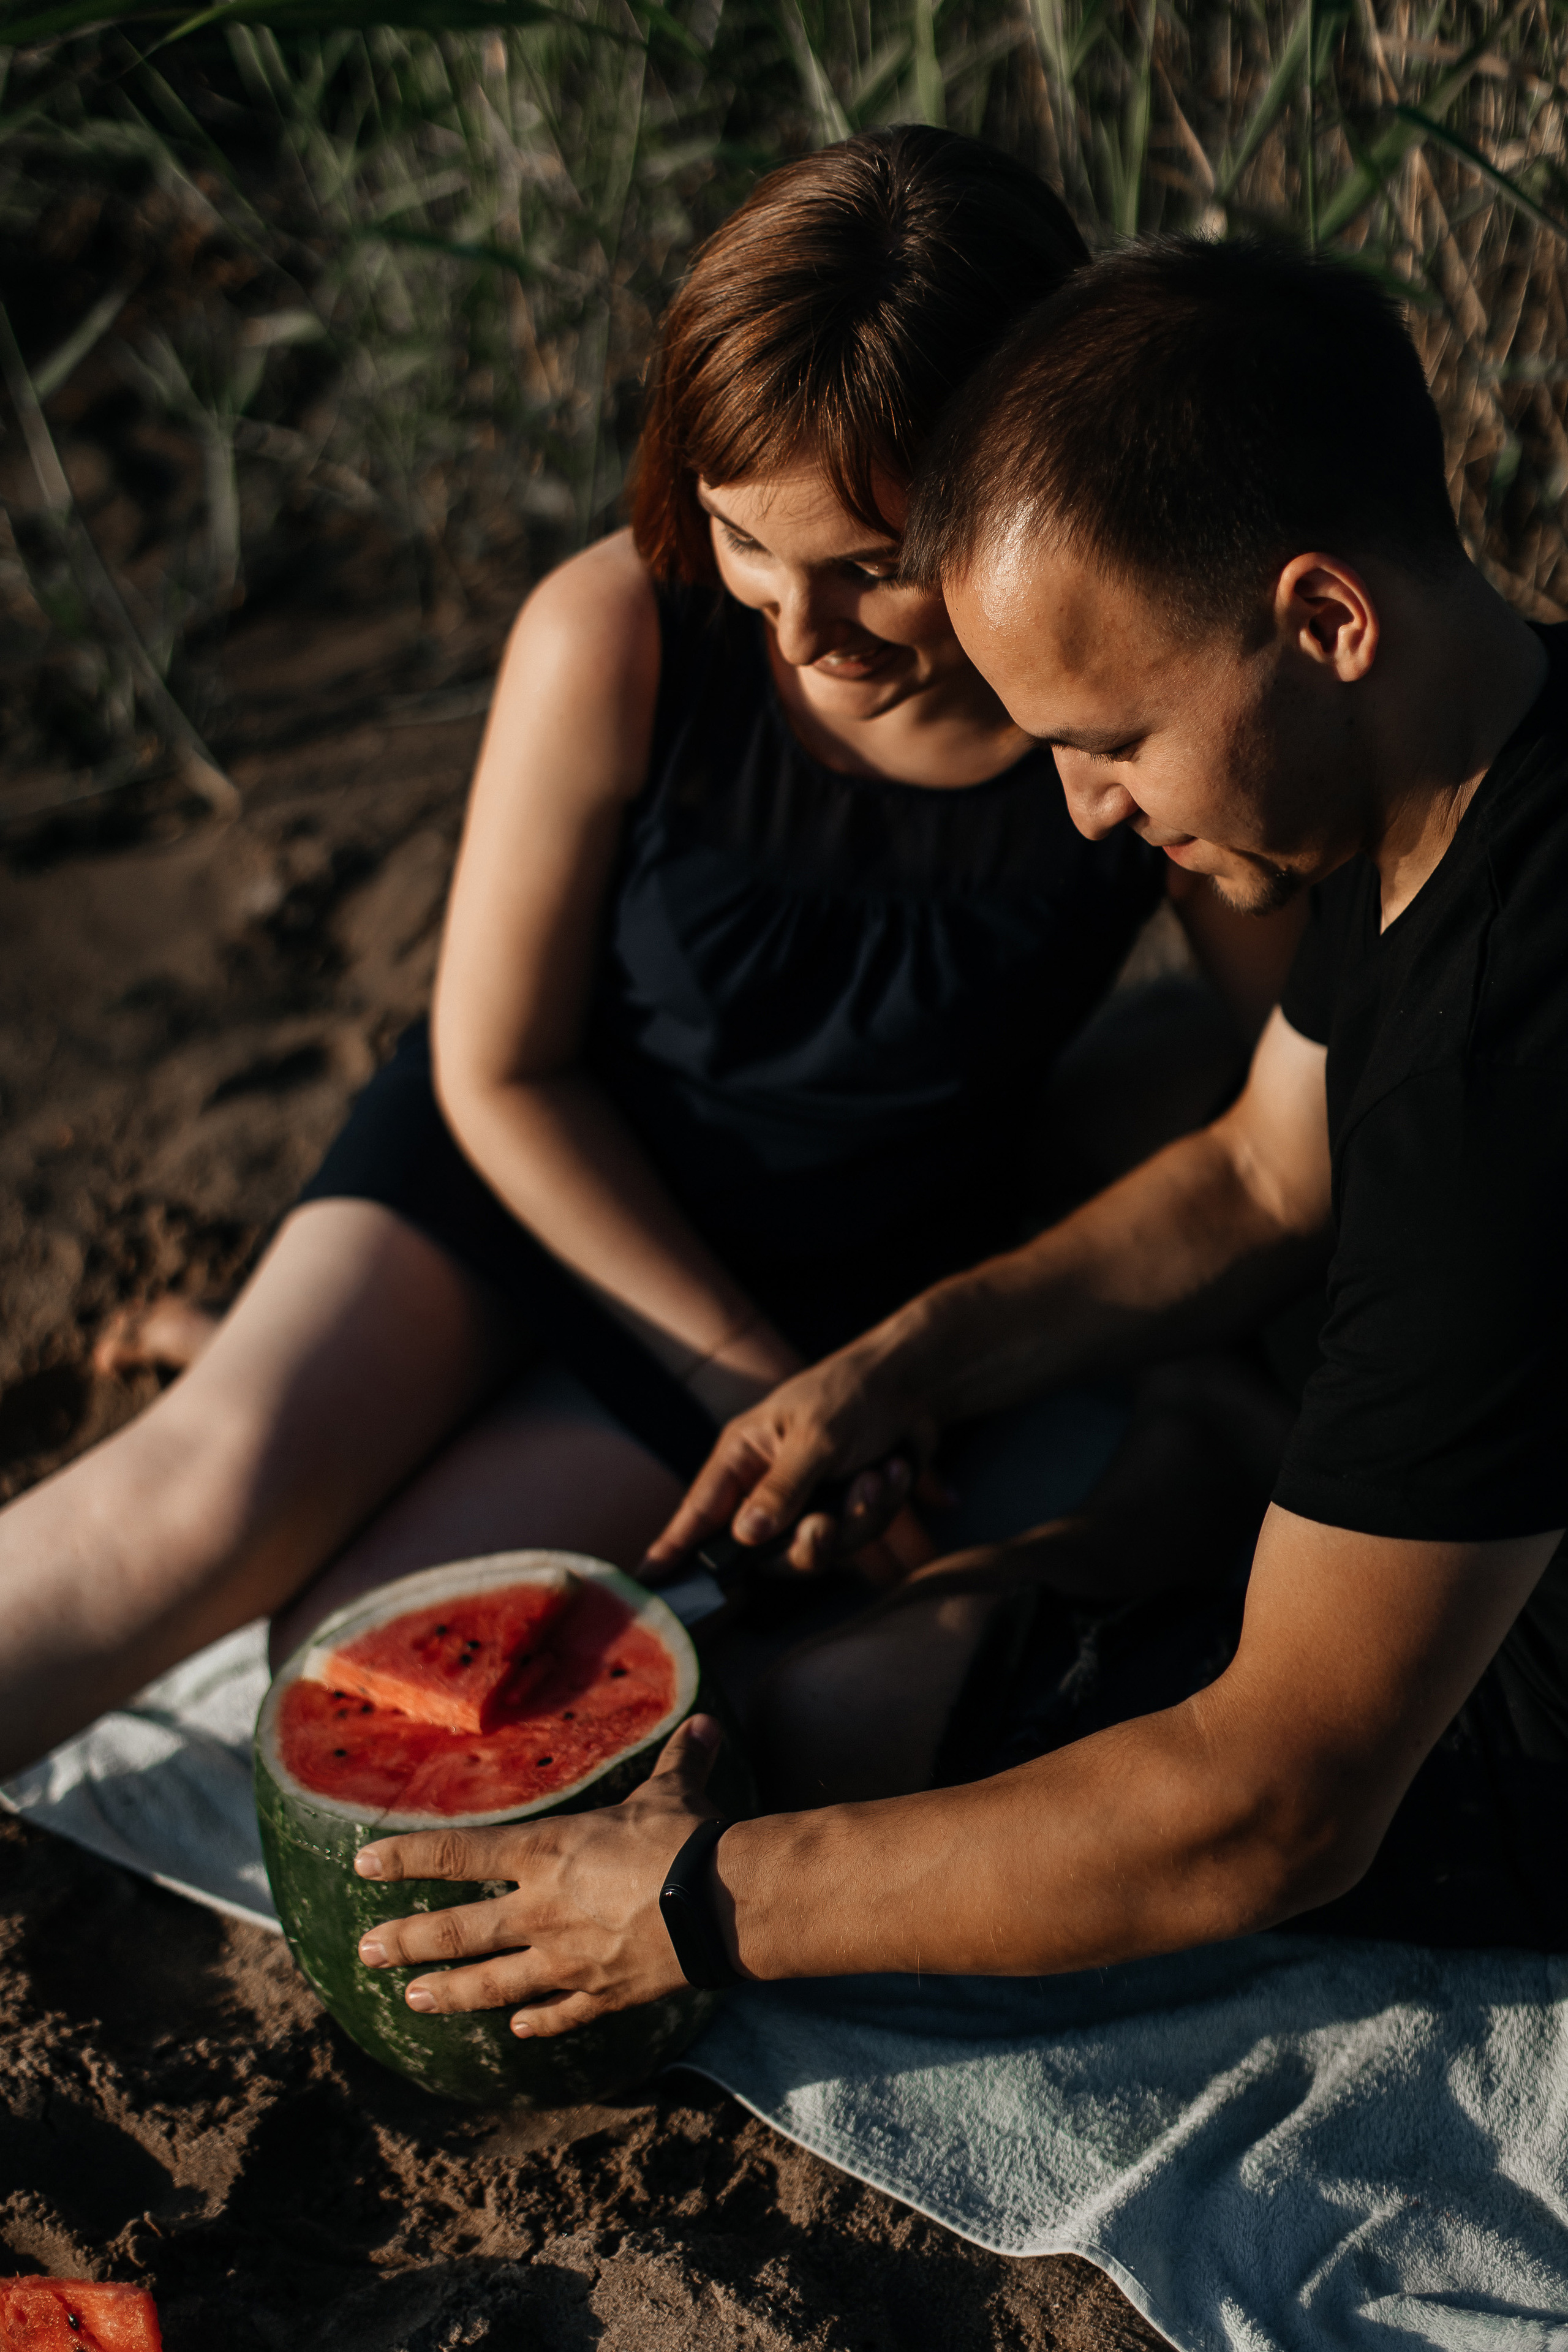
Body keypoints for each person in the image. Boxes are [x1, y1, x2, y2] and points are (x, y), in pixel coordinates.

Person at [344, 236, 1567, 2045]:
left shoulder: (1504, 1065)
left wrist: (698, 1908)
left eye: (1112, 740)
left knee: (818, 1721)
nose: (1084, 810)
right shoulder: (1475, 743)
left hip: (1520, 1736)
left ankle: (1181, 1495)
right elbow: (1264, 1172)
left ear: (1324, 620)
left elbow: (1274, 1809)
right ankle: (1197, 1464)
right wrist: (905, 1364)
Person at [0, 139, 1294, 1781]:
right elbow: (496, 1069)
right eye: (750, 542)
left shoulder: (1110, 711)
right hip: (515, 1178)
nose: (799, 625)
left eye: (872, 569)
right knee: (189, 1504)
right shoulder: (613, 630)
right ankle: (289, 1361)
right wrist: (765, 1396)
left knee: (338, 1663)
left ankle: (318, 1374)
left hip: (830, 1255)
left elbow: (1291, 1064)